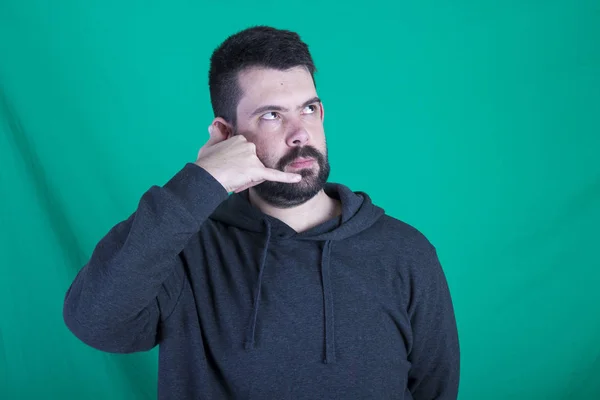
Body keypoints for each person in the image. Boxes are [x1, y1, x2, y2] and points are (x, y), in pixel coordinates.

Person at [63, 25, 460, 400]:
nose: (300, 133)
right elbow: (97, 323)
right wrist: (202, 180)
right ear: (226, 134)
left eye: (308, 109)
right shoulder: (187, 249)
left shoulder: (405, 252)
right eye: (272, 115)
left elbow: (434, 390)